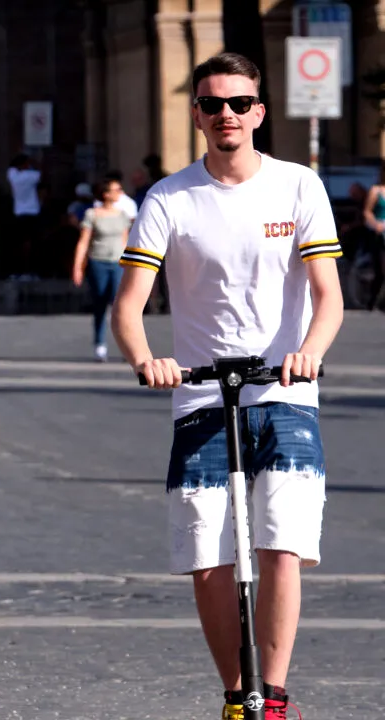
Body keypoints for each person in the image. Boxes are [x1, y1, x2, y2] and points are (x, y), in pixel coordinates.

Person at [112, 52, 342, 720]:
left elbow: (328, 296)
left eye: (239, 103)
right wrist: (145, 359)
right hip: (202, 395)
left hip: (285, 392)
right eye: (213, 104)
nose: (226, 115)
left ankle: (272, 693)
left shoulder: (298, 187)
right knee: (207, 558)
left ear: (259, 112)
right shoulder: (168, 198)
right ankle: (233, 692)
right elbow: (129, 306)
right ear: (198, 115)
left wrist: (309, 353)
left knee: (281, 547)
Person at [71, 177, 128, 362]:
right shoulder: (92, 214)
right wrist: (78, 267)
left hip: (118, 263)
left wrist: (132, 267)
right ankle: (99, 344)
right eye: (116, 189)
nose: (120, 192)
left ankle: (127, 345)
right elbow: (83, 242)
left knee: (121, 305)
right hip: (98, 261)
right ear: (105, 194)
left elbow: (126, 242)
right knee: (100, 303)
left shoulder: (122, 215)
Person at [359, 167, 385, 311]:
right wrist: (376, 224)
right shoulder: (376, 190)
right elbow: (367, 212)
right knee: (381, 270)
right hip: (380, 235)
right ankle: (373, 300)